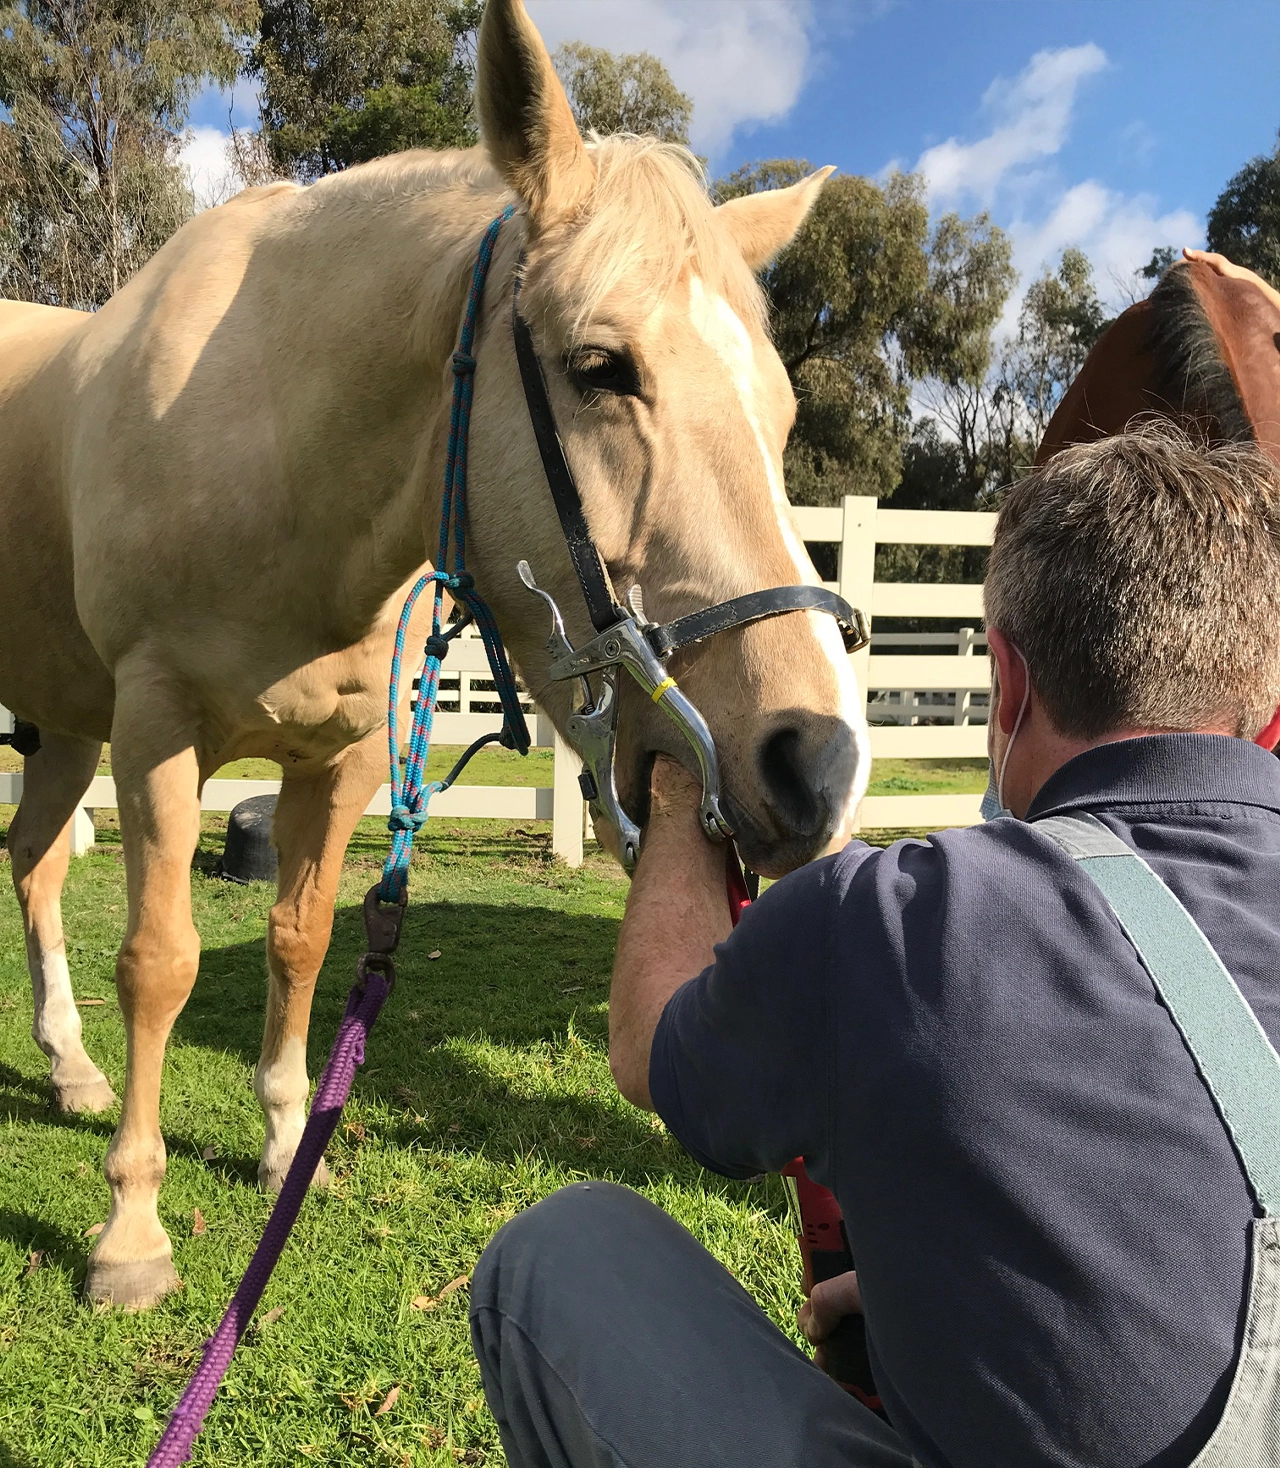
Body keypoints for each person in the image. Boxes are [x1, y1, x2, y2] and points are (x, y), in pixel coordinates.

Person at [469, 426, 1280, 1468]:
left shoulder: (901, 924)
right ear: (1263, 718)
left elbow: (648, 1045)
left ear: (1008, 680)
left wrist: (676, 781)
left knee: (560, 1255)